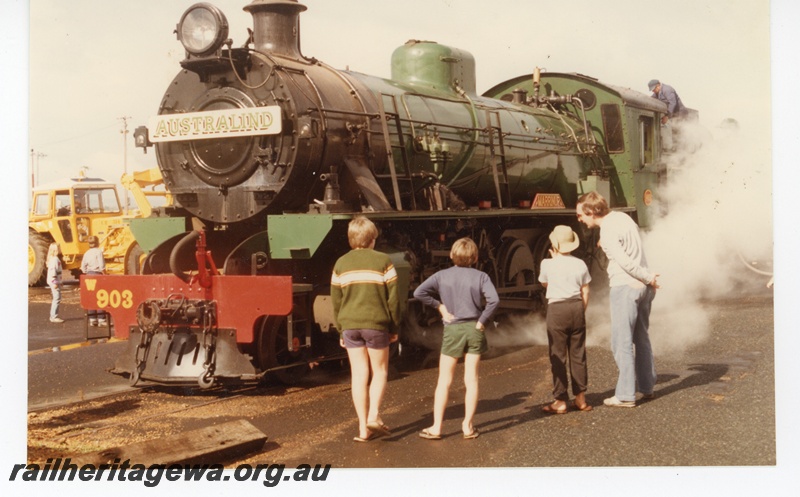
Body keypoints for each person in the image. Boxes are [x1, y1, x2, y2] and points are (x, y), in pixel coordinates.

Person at [576, 191, 659, 408]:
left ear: (592, 211)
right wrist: (647, 279)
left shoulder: (607, 230)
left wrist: (648, 277)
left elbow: (624, 262)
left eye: (580, 215)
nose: (579, 219)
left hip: (626, 286)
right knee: (641, 337)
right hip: (643, 288)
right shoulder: (622, 218)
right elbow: (636, 252)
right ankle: (647, 387)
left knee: (621, 342)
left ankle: (625, 395)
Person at [414, 237, 499, 440]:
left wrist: (440, 307)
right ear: (475, 258)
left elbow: (419, 292)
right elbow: (494, 300)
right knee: (471, 379)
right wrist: (482, 321)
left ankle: (436, 427)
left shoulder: (441, 276)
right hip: (474, 329)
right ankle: (468, 426)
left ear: (451, 255)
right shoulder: (481, 276)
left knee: (444, 380)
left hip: (452, 329)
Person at [331, 216, 401, 442]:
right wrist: (393, 327)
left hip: (350, 326)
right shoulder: (384, 261)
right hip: (376, 325)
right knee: (379, 371)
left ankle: (363, 429)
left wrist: (341, 329)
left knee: (359, 375)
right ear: (373, 239)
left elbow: (336, 301)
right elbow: (394, 300)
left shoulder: (340, 263)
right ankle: (373, 415)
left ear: (351, 239)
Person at [538, 225, 592, 414]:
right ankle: (581, 399)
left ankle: (560, 401)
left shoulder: (547, 264)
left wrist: (554, 262)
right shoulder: (580, 264)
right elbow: (585, 291)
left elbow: (545, 283)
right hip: (576, 308)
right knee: (578, 354)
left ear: (554, 244)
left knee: (558, 356)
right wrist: (580, 310)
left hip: (557, 310)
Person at [81, 236, 107, 326]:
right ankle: (101, 319)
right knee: (100, 296)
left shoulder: (86, 253)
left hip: (89, 275)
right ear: (97, 242)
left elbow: (83, 268)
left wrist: (87, 272)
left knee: (92, 296)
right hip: (97, 275)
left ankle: (92, 319)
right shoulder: (99, 252)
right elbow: (101, 266)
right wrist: (105, 274)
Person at [46, 243, 64, 323]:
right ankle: (53, 316)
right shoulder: (54, 259)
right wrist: (55, 282)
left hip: (55, 281)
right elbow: (53, 272)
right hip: (54, 281)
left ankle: (53, 316)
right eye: (59, 248)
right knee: (56, 298)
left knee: (57, 297)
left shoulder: (54, 258)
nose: (60, 249)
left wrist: (60, 282)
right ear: (56, 250)